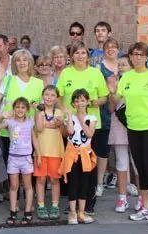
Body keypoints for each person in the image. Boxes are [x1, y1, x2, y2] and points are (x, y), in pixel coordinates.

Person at [107, 42, 148, 226]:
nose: (137, 57)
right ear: (130, 56)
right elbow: (117, 99)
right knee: (141, 170)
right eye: (134, 54)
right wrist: (112, 92)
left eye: (141, 55)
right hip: (134, 128)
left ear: (146, 57)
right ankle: (146, 208)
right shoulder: (126, 77)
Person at [56, 41, 109, 215]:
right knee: (72, 168)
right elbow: (59, 97)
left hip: (91, 127)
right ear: (71, 56)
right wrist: (64, 114)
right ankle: (73, 203)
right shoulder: (66, 73)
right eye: (76, 53)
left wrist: (94, 102)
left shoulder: (95, 73)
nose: (80, 56)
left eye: (83, 53)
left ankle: (88, 204)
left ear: (88, 56)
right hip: (71, 127)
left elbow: (104, 97)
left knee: (89, 167)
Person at [0, 49, 43, 204]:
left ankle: (29, 202)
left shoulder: (38, 83)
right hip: (9, 131)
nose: (22, 63)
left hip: (29, 132)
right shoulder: (8, 80)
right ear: (14, 63)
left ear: (30, 63)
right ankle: (15, 202)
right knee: (12, 168)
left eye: (25, 60)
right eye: (18, 60)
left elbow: (40, 108)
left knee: (29, 168)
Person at [0, 97, 39, 225]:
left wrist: (39, 154)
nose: (20, 110)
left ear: (27, 110)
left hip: (26, 158)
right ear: (14, 109)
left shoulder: (30, 122)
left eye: (23, 107)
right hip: (13, 158)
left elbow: (34, 139)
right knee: (14, 186)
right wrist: (1, 116)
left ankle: (27, 212)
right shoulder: (10, 122)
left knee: (28, 186)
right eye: (17, 107)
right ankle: (13, 212)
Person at [60, 89, 97, 225]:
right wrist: (70, 116)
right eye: (76, 101)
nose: (80, 103)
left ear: (87, 102)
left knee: (84, 184)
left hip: (85, 155)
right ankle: (72, 212)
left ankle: (81, 212)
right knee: (73, 183)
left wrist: (81, 118)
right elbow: (69, 131)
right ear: (73, 103)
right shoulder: (71, 117)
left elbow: (89, 134)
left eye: (82, 100)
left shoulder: (92, 118)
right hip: (71, 154)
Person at [108, 54, 141, 212]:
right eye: (119, 64)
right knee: (121, 162)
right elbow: (110, 109)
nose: (121, 67)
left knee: (138, 163)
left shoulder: (137, 81)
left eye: (124, 64)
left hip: (135, 123)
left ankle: (142, 198)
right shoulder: (116, 83)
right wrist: (112, 92)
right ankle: (122, 198)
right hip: (119, 123)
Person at [34, 85, 65, 220]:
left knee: (54, 179)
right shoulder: (39, 112)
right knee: (40, 178)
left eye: (52, 95)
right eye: (47, 94)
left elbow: (64, 133)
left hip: (55, 151)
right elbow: (40, 128)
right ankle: (41, 205)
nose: (49, 97)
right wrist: (37, 112)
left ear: (56, 98)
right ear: (42, 96)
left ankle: (55, 205)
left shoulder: (59, 112)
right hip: (41, 150)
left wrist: (61, 124)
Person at [94, 38, 120, 195]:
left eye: (114, 46)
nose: (111, 49)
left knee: (122, 147)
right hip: (105, 111)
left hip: (123, 110)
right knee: (103, 148)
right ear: (103, 50)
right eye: (108, 47)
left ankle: (122, 178)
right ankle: (99, 182)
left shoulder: (124, 66)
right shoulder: (99, 68)